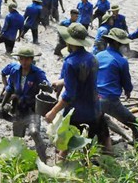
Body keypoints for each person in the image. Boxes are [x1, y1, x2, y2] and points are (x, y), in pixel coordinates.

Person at [45, 23, 111, 156]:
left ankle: (59, 171)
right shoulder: (93, 58)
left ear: (69, 41)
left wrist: (52, 112)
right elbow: (84, 80)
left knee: (65, 145)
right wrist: (62, 81)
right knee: (101, 140)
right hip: (95, 109)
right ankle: (108, 169)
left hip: (77, 113)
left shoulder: (70, 63)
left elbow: (69, 95)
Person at [0, 47, 48, 161]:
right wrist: (2, 105)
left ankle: (44, 159)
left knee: (34, 132)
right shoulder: (15, 70)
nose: (24, 62)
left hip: (32, 108)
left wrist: (46, 86)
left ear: (31, 60)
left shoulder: (37, 73)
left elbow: (47, 86)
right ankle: (17, 162)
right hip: (18, 108)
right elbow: (10, 88)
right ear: (19, 59)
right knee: (17, 138)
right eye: (22, 59)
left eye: (27, 60)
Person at [97, 28, 138, 143]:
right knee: (137, 125)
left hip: (93, 98)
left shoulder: (98, 56)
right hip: (109, 100)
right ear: (117, 43)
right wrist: (128, 92)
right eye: (124, 44)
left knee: (102, 119)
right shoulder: (121, 61)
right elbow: (127, 83)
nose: (126, 47)